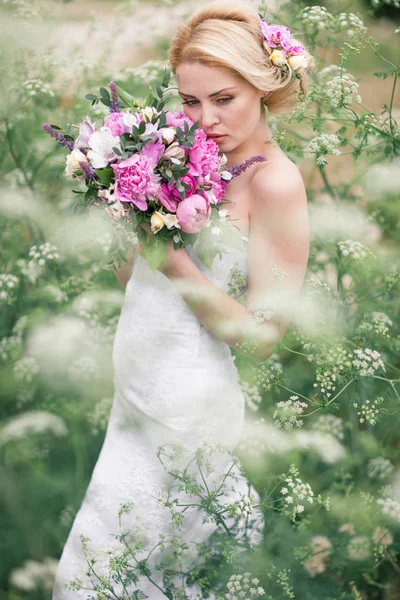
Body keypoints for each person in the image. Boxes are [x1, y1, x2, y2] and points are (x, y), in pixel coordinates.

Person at [52, 1, 312, 598]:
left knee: (102, 578)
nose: (206, 118)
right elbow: (135, 283)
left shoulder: (275, 181)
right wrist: (123, 205)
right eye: (191, 101)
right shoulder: (188, 156)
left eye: (224, 98)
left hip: (186, 409)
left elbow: (266, 337)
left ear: (263, 85)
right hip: (135, 392)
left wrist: (173, 262)